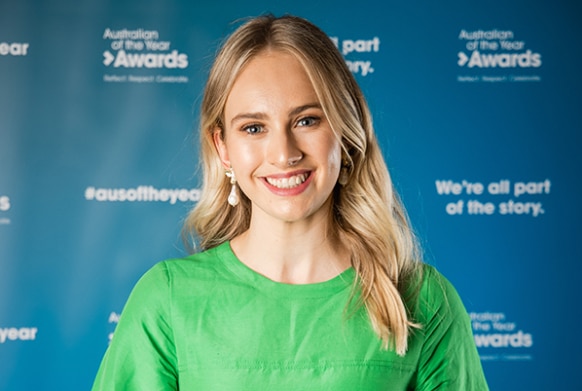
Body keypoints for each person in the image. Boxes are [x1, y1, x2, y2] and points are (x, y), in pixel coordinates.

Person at [92, 14, 489, 390]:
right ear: (223, 147)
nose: (283, 153)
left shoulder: (423, 300)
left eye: (306, 120)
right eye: (253, 127)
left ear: (345, 132)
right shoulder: (167, 300)